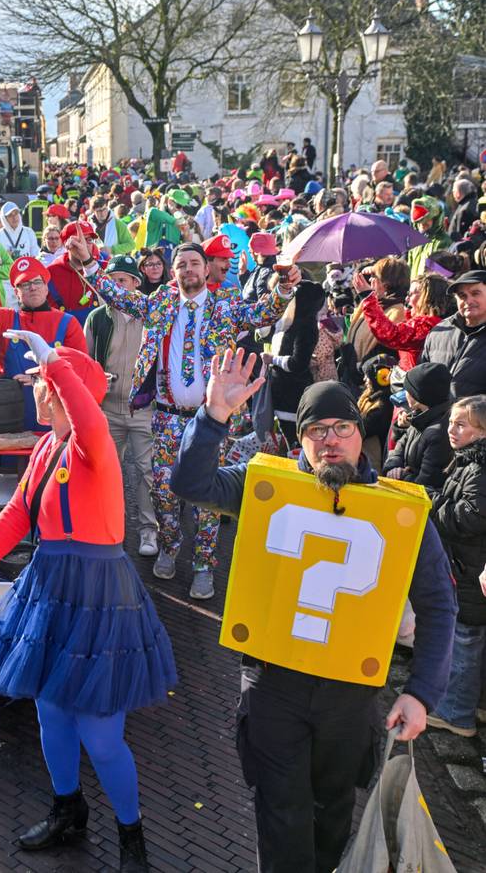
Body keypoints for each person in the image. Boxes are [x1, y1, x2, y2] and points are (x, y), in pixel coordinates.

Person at [170, 350, 457, 873]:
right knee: (280, 814)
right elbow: (190, 486)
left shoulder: (400, 510)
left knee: (332, 812)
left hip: (350, 691)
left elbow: (440, 605)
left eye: (342, 426)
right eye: (316, 430)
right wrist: (212, 419)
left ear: (358, 431)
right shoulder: (266, 485)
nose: (330, 440)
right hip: (274, 681)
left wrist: (421, 693)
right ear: (298, 439)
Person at [0, 332, 177, 872]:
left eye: (43, 388)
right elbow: (17, 514)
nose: (38, 397)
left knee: (101, 732)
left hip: (99, 596)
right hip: (52, 587)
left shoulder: (96, 446)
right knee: (50, 712)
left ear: (65, 393)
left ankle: (131, 836)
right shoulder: (47, 447)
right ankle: (68, 810)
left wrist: (58, 365)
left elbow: (88, 418)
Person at [70, 231, 299, 599]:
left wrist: (285, 288)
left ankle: (205, 566)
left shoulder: (226, 306)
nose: (188, 269)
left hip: (211, 419)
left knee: (208, 494)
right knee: (163, 488)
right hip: (164, 417)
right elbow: (117, 295)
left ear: (206, 268)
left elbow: (264, 312)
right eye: (181, 264)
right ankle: (171, 545)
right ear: (172, 272)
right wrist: (89, 263)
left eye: (194, 263)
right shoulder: (159, 303)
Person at [85, 255, 159, 557]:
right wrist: (95, 380)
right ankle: (108, 526)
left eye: (122, 280)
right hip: (107, 408)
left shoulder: (152, 313)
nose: (116, 286)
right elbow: (88, 361)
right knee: (105, 470)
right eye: (112, 280)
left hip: (143, 409)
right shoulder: (98, 317)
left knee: (146, 471)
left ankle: (148, 530)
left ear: (135, 285)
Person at [0, 254, 86, 429]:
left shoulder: (68, 323)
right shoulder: (6, 319)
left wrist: (39, 379)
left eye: (37, 282)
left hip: (55, 418)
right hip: (10, 415)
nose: (32, 288)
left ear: (46, 288)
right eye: (25, 284)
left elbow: (81, 368)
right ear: (16, 292)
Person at [427, 396, 486, 737]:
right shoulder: (468, 460)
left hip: (470, 567)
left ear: (481, 433)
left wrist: (435, 506)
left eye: (461, 424)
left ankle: (458, 713)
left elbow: (472, 515)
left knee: (465, 641)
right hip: (465, 565)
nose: (451, 429)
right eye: (451, 421)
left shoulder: (479, 468)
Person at [264, 280, 326, 446]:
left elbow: (298, 363)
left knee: (295, 443)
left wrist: (273, 359)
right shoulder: (291, 320)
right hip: (281, 393)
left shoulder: (306, 326)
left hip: (292, 396)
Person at [357, 272, 450, 371]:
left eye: (411, 294)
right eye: (407, 294)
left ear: (426, 297)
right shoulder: (433, 322)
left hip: (415, 383)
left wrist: (368, 298)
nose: (407, 298)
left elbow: (391, 334)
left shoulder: (427, 325)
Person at [383, 362, 452, 491]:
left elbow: (426, 484)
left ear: (418, 396)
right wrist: (393, 467)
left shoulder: (438, 433)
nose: (404, 393)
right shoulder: (419, 416)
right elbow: (400, 446)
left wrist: (403, 476)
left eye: (407, 390)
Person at [420, 270, 486, 400]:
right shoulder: (440, 331)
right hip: (435, 419)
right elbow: (421, 377)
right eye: (462, 296)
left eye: (475, 293)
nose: (468, 300)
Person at [406, 196, 451, 279]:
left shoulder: (443, 241)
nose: (422, 224)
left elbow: (442, 273)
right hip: (414, 288)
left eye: (427, 220)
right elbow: (410, 268)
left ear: (436, 220)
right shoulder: (414, 241)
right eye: (420, 222)